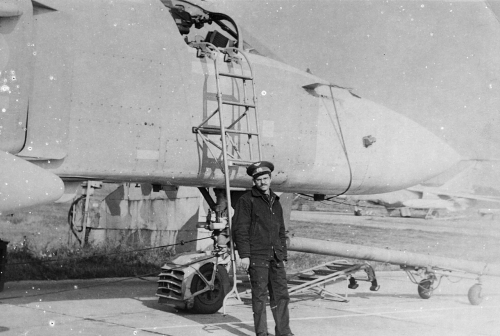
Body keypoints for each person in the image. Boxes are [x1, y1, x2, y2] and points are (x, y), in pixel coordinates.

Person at [232, 161, 294, 336]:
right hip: (257, 256)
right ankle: (261, 333)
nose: (263, 182)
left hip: (275, 257)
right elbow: (240, 229)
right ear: (254, 181)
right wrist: (244, 255)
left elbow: (281, 230)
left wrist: (282, 255)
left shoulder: (276, 201)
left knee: (281, 295)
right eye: (259, 179)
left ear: (270, 179)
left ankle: (284, 332)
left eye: (265, 178)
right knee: (259, 297)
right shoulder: (246, 200)